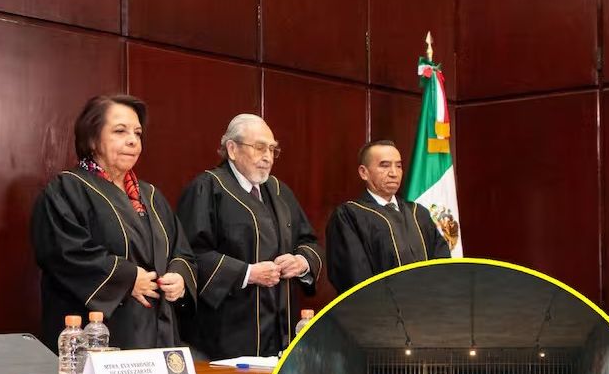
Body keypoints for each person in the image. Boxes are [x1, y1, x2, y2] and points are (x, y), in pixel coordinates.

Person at [31, 94, 197, 351]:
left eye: (137, 133)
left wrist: (179, 277)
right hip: (99, 334)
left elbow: (181, 251)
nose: (133, 140)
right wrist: (127, 278)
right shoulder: (67, 189)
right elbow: (64, 253)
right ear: (92, 139)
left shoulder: (151, 196)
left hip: (158, 334)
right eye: (120, 131)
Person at [176, 114, 323, 358]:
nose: (268, 157)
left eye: (272, 149)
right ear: (232, 149)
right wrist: (247, 273)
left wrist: (301, 262)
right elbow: (189, 256)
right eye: (259, 147)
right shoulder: (208, 188)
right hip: (227, 333)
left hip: (280, 329)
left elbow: (309, 242)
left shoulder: (279, 191)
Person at [326, 139, 451, 293]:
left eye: (398, 166)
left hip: (425, 304)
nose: (393, 173)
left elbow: (441, 264)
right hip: (377, 306)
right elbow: (354, 276)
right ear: (364, 172)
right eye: (384, 166)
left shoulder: (419, 213)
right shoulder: (349, 216)